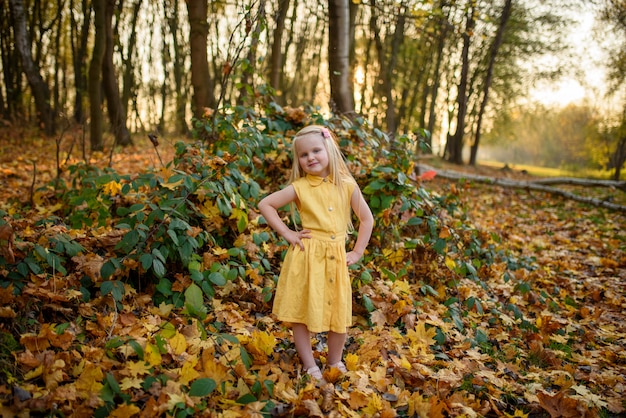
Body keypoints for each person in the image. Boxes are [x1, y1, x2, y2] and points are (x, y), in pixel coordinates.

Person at [258, 125, 374, 385]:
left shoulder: (346, 186)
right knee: (301, 312)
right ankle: (310, 366)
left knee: (338, 311)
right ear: (298, 160)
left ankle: (335, 361)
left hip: (335, 259)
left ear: (329, 150)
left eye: (316, 151)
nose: (310, 157)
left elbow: (366, 219)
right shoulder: (299, 187)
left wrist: (357, 251)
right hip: (307, 257)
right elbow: (266, 204)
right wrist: (288, 233)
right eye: (303, 154)